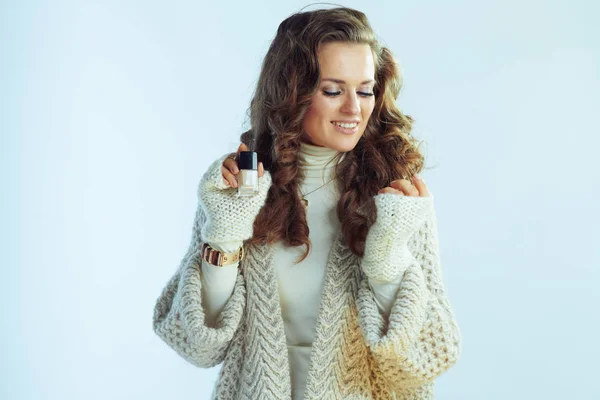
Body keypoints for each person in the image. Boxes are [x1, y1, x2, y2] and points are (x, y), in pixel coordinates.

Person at [153, 6, 461, 400]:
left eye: (365, 90)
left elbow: (428, 357)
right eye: (333, 90)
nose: (354, 109)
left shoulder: (396, 198)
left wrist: (386, 257)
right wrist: (225, 234)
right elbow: (196, 344)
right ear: (291, 91)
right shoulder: (238, 190)